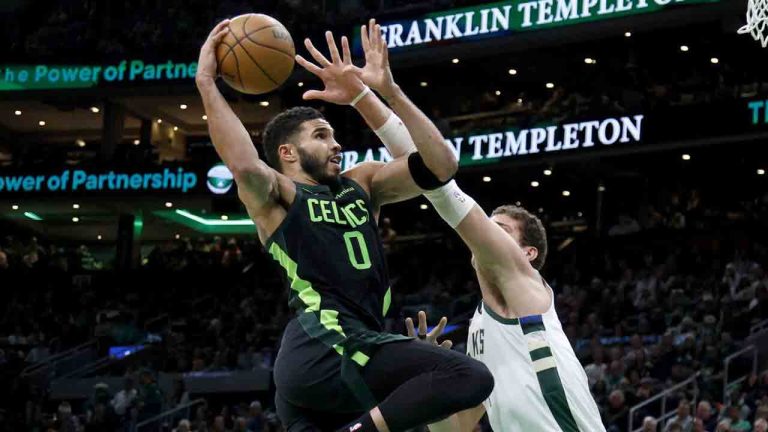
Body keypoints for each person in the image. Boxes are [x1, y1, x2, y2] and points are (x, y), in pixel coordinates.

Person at [196, 18, 493, 432]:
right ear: (288, 152)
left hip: (344, 359)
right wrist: (208, 84)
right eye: (320, 135)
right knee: (470, 377)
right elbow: (244, 165)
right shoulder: (278, 196)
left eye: (334, 135)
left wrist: (381, 92)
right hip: (327, 345)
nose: (336, 144)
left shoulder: (364, 183)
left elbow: (442, 165)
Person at [376, 32, 604, 432]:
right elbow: (456, 429)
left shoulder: (524, 289)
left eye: (499, 230)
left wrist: (379, 97)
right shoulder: (482, 329)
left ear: (527, 254)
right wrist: (428, 384)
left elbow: (441, 188)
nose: (487, 235)